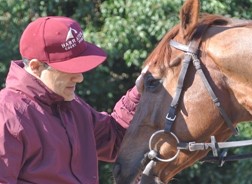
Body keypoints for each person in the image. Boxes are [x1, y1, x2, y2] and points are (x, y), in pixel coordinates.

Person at [0, 16, 146, 183]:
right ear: (36, 66)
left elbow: (114, 139)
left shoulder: (71, 105)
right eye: (69, 69)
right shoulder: (8, 114)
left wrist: (139, 93)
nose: (80, 78)